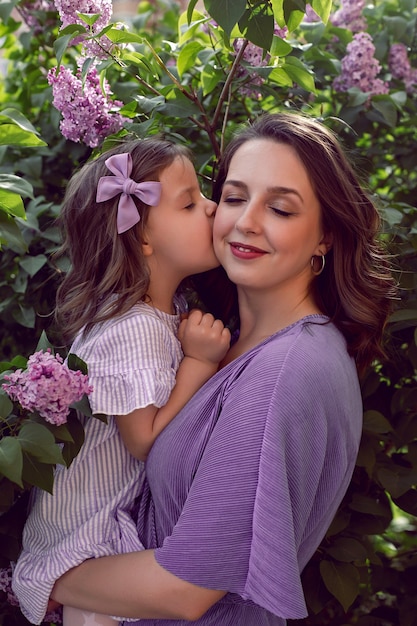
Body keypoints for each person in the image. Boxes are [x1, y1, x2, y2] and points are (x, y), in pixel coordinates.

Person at [49, 112, 397, 625]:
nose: (246, 221)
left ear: (326, 235)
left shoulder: (285, 371)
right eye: (234, 198)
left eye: (280, 208)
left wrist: (46, 576)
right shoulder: (220, 339)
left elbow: (187, 588)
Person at [12, 138, 231, 626]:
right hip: (85, 547)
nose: (214, 208)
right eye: (191, 203)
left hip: (102, 538)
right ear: (142, 240)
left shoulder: (157, 315)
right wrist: (198, 364)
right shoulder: (131, 330)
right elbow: (145, 442)